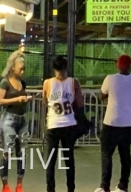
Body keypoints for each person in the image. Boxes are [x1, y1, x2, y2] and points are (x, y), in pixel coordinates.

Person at [97, 54, 131, 192]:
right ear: (130, 65)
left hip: (111, 122)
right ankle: (123, 185)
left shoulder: (110, 79)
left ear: (117, 65)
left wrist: (109, 97)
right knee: (125, 155)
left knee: (106, 155)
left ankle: (104, 186)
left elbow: (101, 95)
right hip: (128, 123)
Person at [42, 55, 83, 192]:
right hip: (68, 124)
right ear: (66, 67)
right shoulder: (73, 82)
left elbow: (45, 100)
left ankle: (50, 189)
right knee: (69, 160)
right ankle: (70, 189)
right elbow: (79, 103)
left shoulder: (47, 83)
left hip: (53, 124)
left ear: (54, 68)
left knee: (51, 161)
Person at [0, 54, 33, 192]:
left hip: (22, 120)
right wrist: (17, 100)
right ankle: (5, 184)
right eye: (20, 69)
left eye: (24, 69)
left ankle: (19, 184)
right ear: (12, 68)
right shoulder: (5, 83)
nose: (22, 72)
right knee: (7, 152)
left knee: (22, 152)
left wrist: (25, 100)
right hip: (9, 120)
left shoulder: (22, 83)